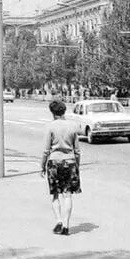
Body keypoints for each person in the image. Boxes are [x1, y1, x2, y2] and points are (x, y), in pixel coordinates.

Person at [41, 100, 81, 235]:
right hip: (70, 162)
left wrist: (42, 165)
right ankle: (66, 225)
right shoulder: (73, 126)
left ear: (52, 112)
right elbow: (77, 150)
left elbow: (46, 150)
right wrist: (77, 165)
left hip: (54, 162)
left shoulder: (50, 127)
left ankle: (58, 221)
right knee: (68, 195)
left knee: (55, 194)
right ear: (64, 111)